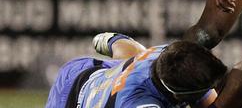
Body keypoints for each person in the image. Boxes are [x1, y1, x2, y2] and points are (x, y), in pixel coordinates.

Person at [45, 32, 227, 108]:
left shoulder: (172, 57)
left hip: (99, 72)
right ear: (179, 95)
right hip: (70, 97)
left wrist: (109, 41)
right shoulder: (139, 103)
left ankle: (111, 40)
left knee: (131, 54)